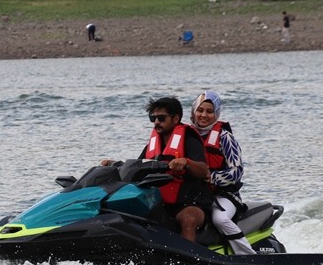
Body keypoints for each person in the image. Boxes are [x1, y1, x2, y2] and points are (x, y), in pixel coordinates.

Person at [103, 97, 211, 243]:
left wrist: (186, 162)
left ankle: (187, 262)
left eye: (161, 118)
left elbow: (203, 170)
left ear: (175, 118)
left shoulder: (189, 140)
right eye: (152, 118)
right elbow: (136, 167)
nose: (156, 122)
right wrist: (115, 164)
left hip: (191, 201)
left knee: (188, 219)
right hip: (159, 201)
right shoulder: (152, 145)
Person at [190, 91, 255, 255]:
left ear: (216, 114)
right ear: (193, 111)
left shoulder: (225, 137)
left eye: (209, 111)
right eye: (200, 110)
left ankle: (247, 255)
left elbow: (237, 171)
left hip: (225, 196)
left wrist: (212, 177)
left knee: (220, 219)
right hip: (196, 195)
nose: (204, 115)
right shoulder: (187, 135)